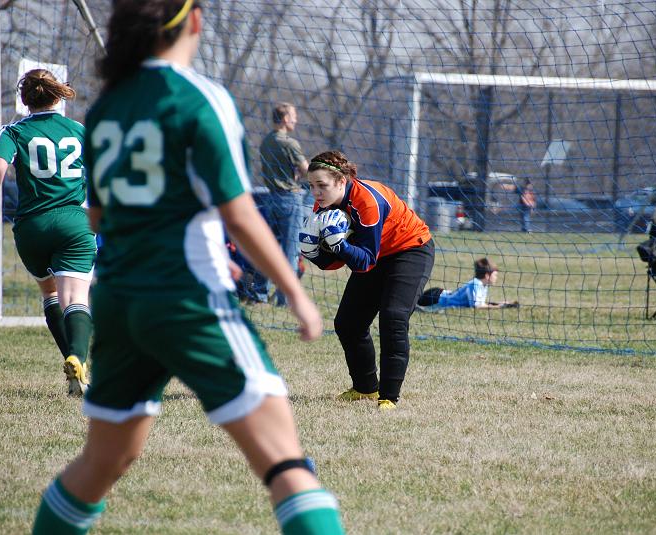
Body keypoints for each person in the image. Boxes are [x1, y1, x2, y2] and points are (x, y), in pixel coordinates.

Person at [31, 2, 344, 534]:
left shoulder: (108, 107)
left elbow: (101, 214)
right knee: (285, 462)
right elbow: (240, 213)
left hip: (120, 303)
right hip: (185, 300)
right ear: (194, 22)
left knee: (102, 463)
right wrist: (295, 291)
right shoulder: (201, 97)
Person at [0, 68, 95, 397]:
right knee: (76, 297)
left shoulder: (12, 132)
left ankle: (76, 372)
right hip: (73, 221)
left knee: (51, 294)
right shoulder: (78, 130)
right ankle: (79, 357)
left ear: (25, 100)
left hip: (31, 227)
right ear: (57, 95)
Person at [300, 150, 434, 411]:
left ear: (341, 181)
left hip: (409, 250)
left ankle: (388, 396)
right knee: (348, 323)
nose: (316, 193)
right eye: (311, 186)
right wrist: (314, 254)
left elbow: (364, 261)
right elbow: (338, 261)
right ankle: (365, 389)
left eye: (322, 186)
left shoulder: (367, 201)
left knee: (393, 316)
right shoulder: (323, 207)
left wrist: (338, 246)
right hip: (374, 255)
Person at [253, 102, 309, 306]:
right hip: (290, 199)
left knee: (268, 248)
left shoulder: (266, 141)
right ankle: (284, 299)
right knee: (290, 250)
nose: (296, 119)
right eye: (294, 116)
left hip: (270, 199)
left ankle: (259, 294)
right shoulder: (290, 143)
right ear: (285, 119)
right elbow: (306, 171)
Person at [417, 258, 518, 310]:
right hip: (434, 297)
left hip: (440, 293)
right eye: (495, 275)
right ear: (487, 275)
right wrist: (499, 307)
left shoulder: (484, 285)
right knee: (413, 303)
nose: (496, 278)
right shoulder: (475, 284)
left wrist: (502, 303)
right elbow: (477, 306)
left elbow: (482, 303)